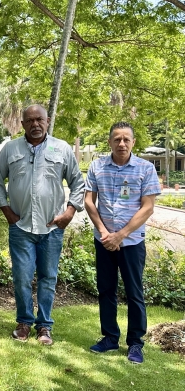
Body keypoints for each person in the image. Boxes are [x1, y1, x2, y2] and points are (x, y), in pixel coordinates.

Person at [0, 104, 84, 346]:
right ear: (22, 124)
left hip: (52, 228)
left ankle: (44, 326)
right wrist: (6, 210)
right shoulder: (10, 149)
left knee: (48, 278)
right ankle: (24, 322)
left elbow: (78, 182)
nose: (35, 124)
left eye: (39, 119)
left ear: (47, 121)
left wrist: (69, 212)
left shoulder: (62, 148)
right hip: (21, 227)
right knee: (21, 277)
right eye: (30, 120)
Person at [84, 122, 160, 364]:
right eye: (117, 139)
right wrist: (104, 232)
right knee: (106, 290)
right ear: (110, 142)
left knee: (134, 292)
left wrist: (121, 235)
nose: (122, 143)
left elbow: (148, 207)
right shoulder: (97, 166)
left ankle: (135, 343)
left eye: (126, 139)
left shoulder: (145, 168)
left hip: (132, 242)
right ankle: (110, 338)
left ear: (133, 142)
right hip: (104, 240)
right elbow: (89, 201)